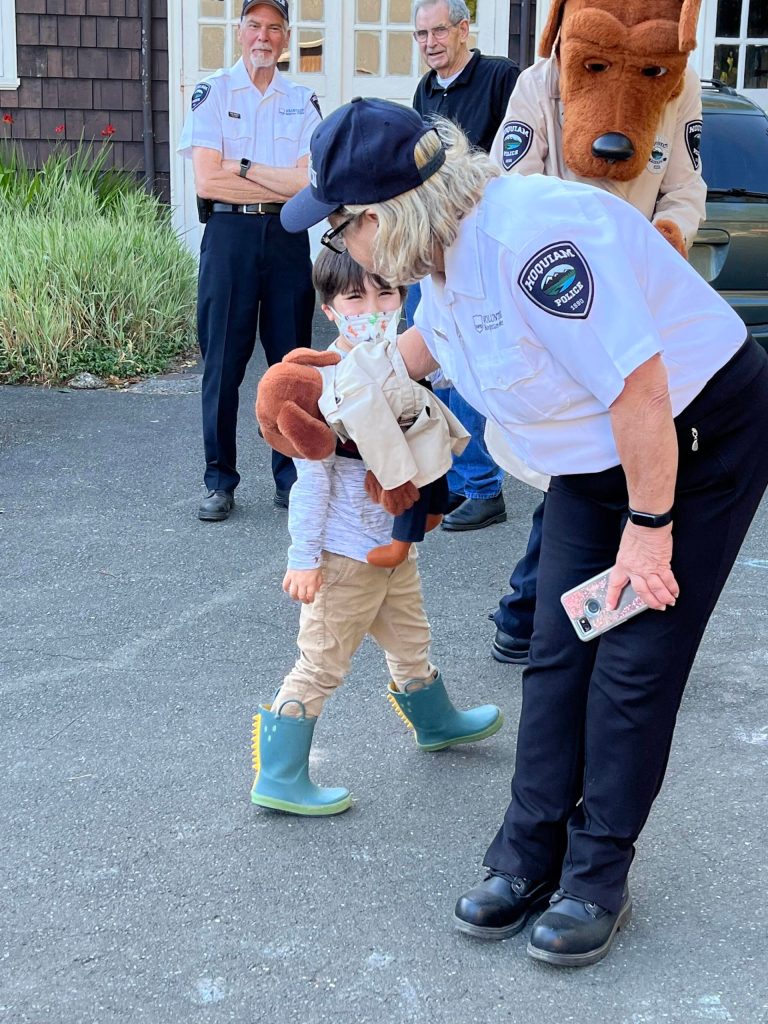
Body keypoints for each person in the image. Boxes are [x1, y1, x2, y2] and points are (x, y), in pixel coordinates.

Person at [278, 98, 768, 964]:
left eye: (337, 231)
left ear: (381, 217)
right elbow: (437, 336)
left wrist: (651, 530)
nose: (336, 249)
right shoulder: (438, 249)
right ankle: (529, 851)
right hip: (598, 455)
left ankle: (596, 876)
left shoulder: (536, 247)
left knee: (632, 662)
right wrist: (343, 383)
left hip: (692, 442)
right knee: (558, 646)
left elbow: (640, 392)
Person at [486, 0, 707, 667]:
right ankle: (526, 610)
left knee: (638, 470)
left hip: (645, 305)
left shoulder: (677, 81)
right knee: (580, 471)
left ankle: (603, 614)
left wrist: (668, 242)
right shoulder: (540, 84)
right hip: (565, 306)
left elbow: (685, 188)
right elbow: (509, 187)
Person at [249, 248, 503, 817]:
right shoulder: (323, 383)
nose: (374, 307)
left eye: (385, 293)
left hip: (396, 549)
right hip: (343, 557)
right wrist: (304, 558)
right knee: (320, 662)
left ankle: (436, 723)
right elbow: (309, 483)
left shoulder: (406, 363)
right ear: (331, 309)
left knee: (411, 642)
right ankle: (281, 775)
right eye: (355, 297)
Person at [178, 0, 319, 522]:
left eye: (274, 28)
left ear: (286, 37)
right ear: (239, 32)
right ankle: (219, 480)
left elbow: (309, 183)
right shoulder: (212, 92)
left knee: (293, 365)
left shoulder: (302, 100)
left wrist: (240, 164)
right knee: (223, 364)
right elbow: (207, 180)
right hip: (230, 236)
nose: (264, 36)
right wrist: (270, 177)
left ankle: (293, 477)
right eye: (254, 25)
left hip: (285, 237)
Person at [408, 0, 519, 532]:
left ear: (462, 29)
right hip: (434, 246)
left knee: (471, 366)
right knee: (437, 364)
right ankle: (454, 480)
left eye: (438, 31)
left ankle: (484, 487)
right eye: (421, 34)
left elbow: (516, 159)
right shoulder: (425, 92)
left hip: (479, 249)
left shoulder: (500, 78)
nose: (430, 42)